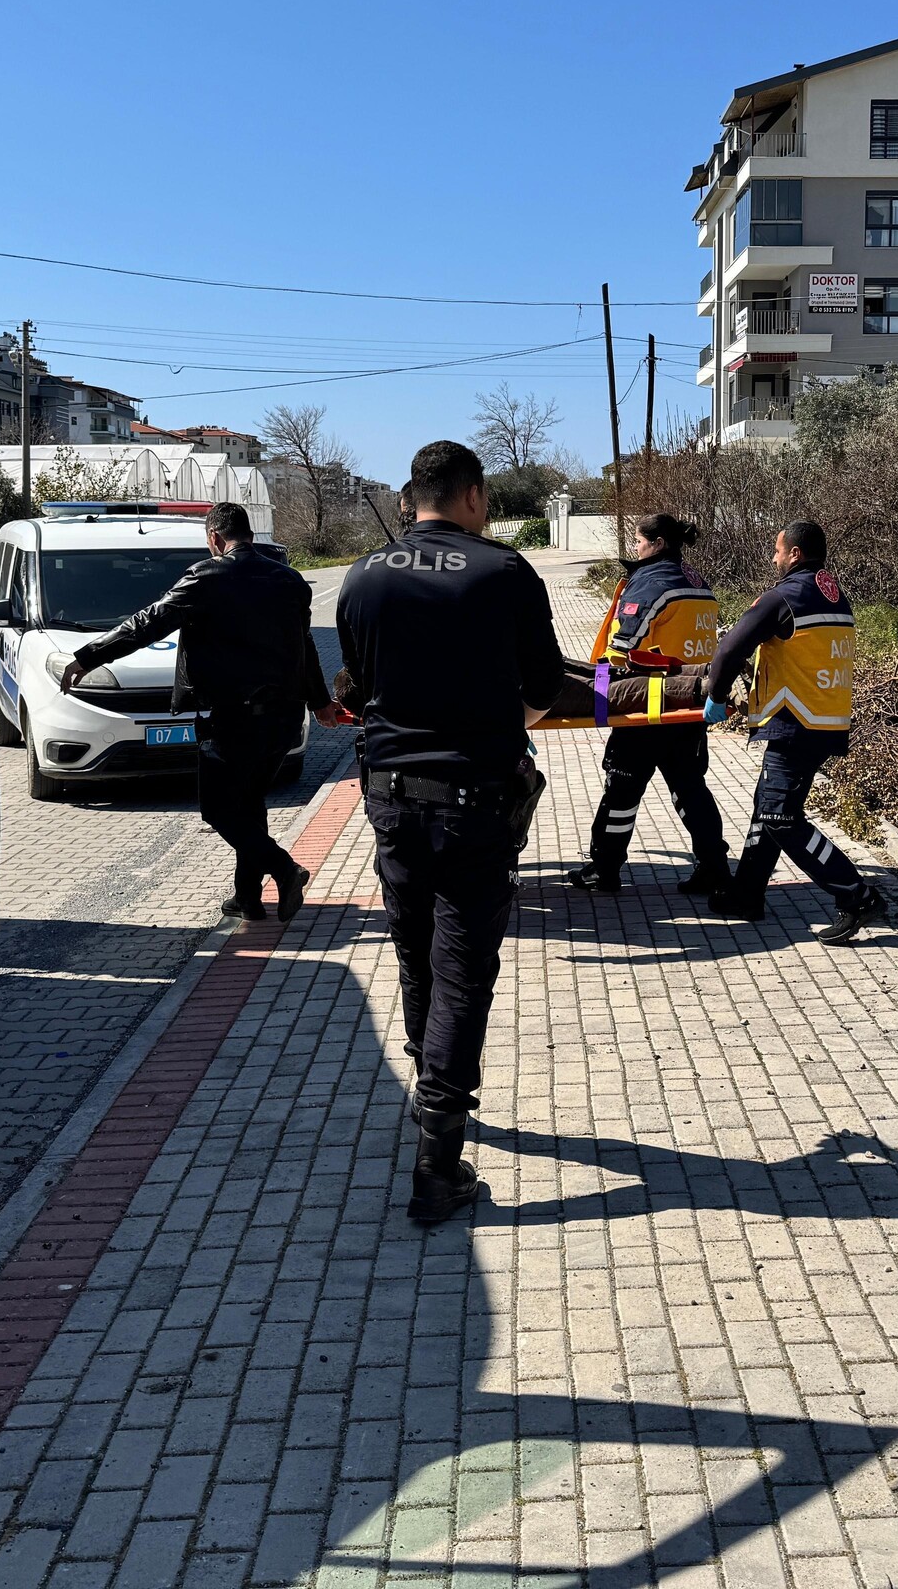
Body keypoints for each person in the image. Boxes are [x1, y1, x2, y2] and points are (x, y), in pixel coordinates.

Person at [336, 441, 564, 1222]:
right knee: (464, 969)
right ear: (472, 495)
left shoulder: (362, 575)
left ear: (412, 498)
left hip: (391, 797)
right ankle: (438, 1163)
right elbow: (543, 690)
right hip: (475, 801)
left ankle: (427, 1088)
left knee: (414, 951)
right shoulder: (504, 572)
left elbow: (355, 689)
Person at [62, 502, 339, 923]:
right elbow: (307, 647)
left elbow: (146, 623)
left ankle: (285, 868)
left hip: (231, 718)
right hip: (283, 718)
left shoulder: (206, 577)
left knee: (219, 809)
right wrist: (319, 703)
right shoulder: (290, 580)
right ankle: (247, 899)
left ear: (214, 538)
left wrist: (88, 656)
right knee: (249, 804)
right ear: (249, 534)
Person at [704, 519, 888, 945]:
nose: (774, 558)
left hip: (794, 721)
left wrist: (715, 693)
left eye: (778, 550)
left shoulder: (784, 596)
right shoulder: (835, 595)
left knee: (779, 815)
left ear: (796, 554)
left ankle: (857, 896)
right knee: (768, 807)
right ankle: (746, 895)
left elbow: (731, 645)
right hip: (824, 720)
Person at [564, 512, 730, 897]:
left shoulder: (651, 583)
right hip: (689, 704)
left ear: (656, 543)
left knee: (621, 789)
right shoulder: (697, 581)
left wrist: (599, 691)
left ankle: (604, 869)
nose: (635, 548)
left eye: (638, 541)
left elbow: (622, 647)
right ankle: (714, 867)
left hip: (648, 705)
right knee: (690, 789)